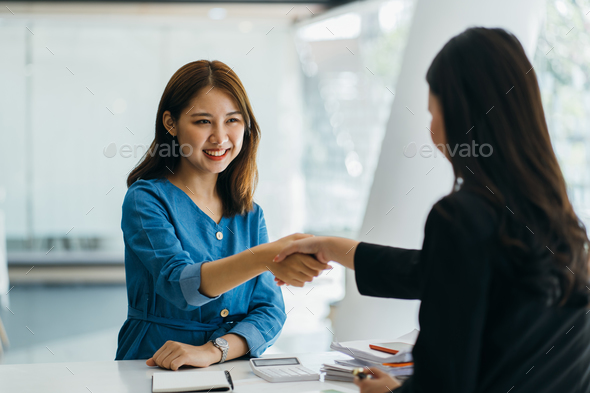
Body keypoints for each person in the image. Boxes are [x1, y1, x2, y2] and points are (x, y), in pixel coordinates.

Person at [274, 27, 590, 392]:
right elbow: (438, 272)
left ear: (459, 114)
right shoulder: (558, 218)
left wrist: (389, 391)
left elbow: (442, 383)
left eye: (433, 113)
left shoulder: (461, 216)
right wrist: (330, 247)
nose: (433, 131)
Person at [115, 60, 328, 370]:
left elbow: (269, 310)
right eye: (203, 122)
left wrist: (216, 349)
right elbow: (180, 285)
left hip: (231, 366)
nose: (220, 137)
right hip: (155, 365)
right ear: (171, 124)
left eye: (232, 120)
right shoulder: (146, 199)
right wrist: (265, 256)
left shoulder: (250, 213)